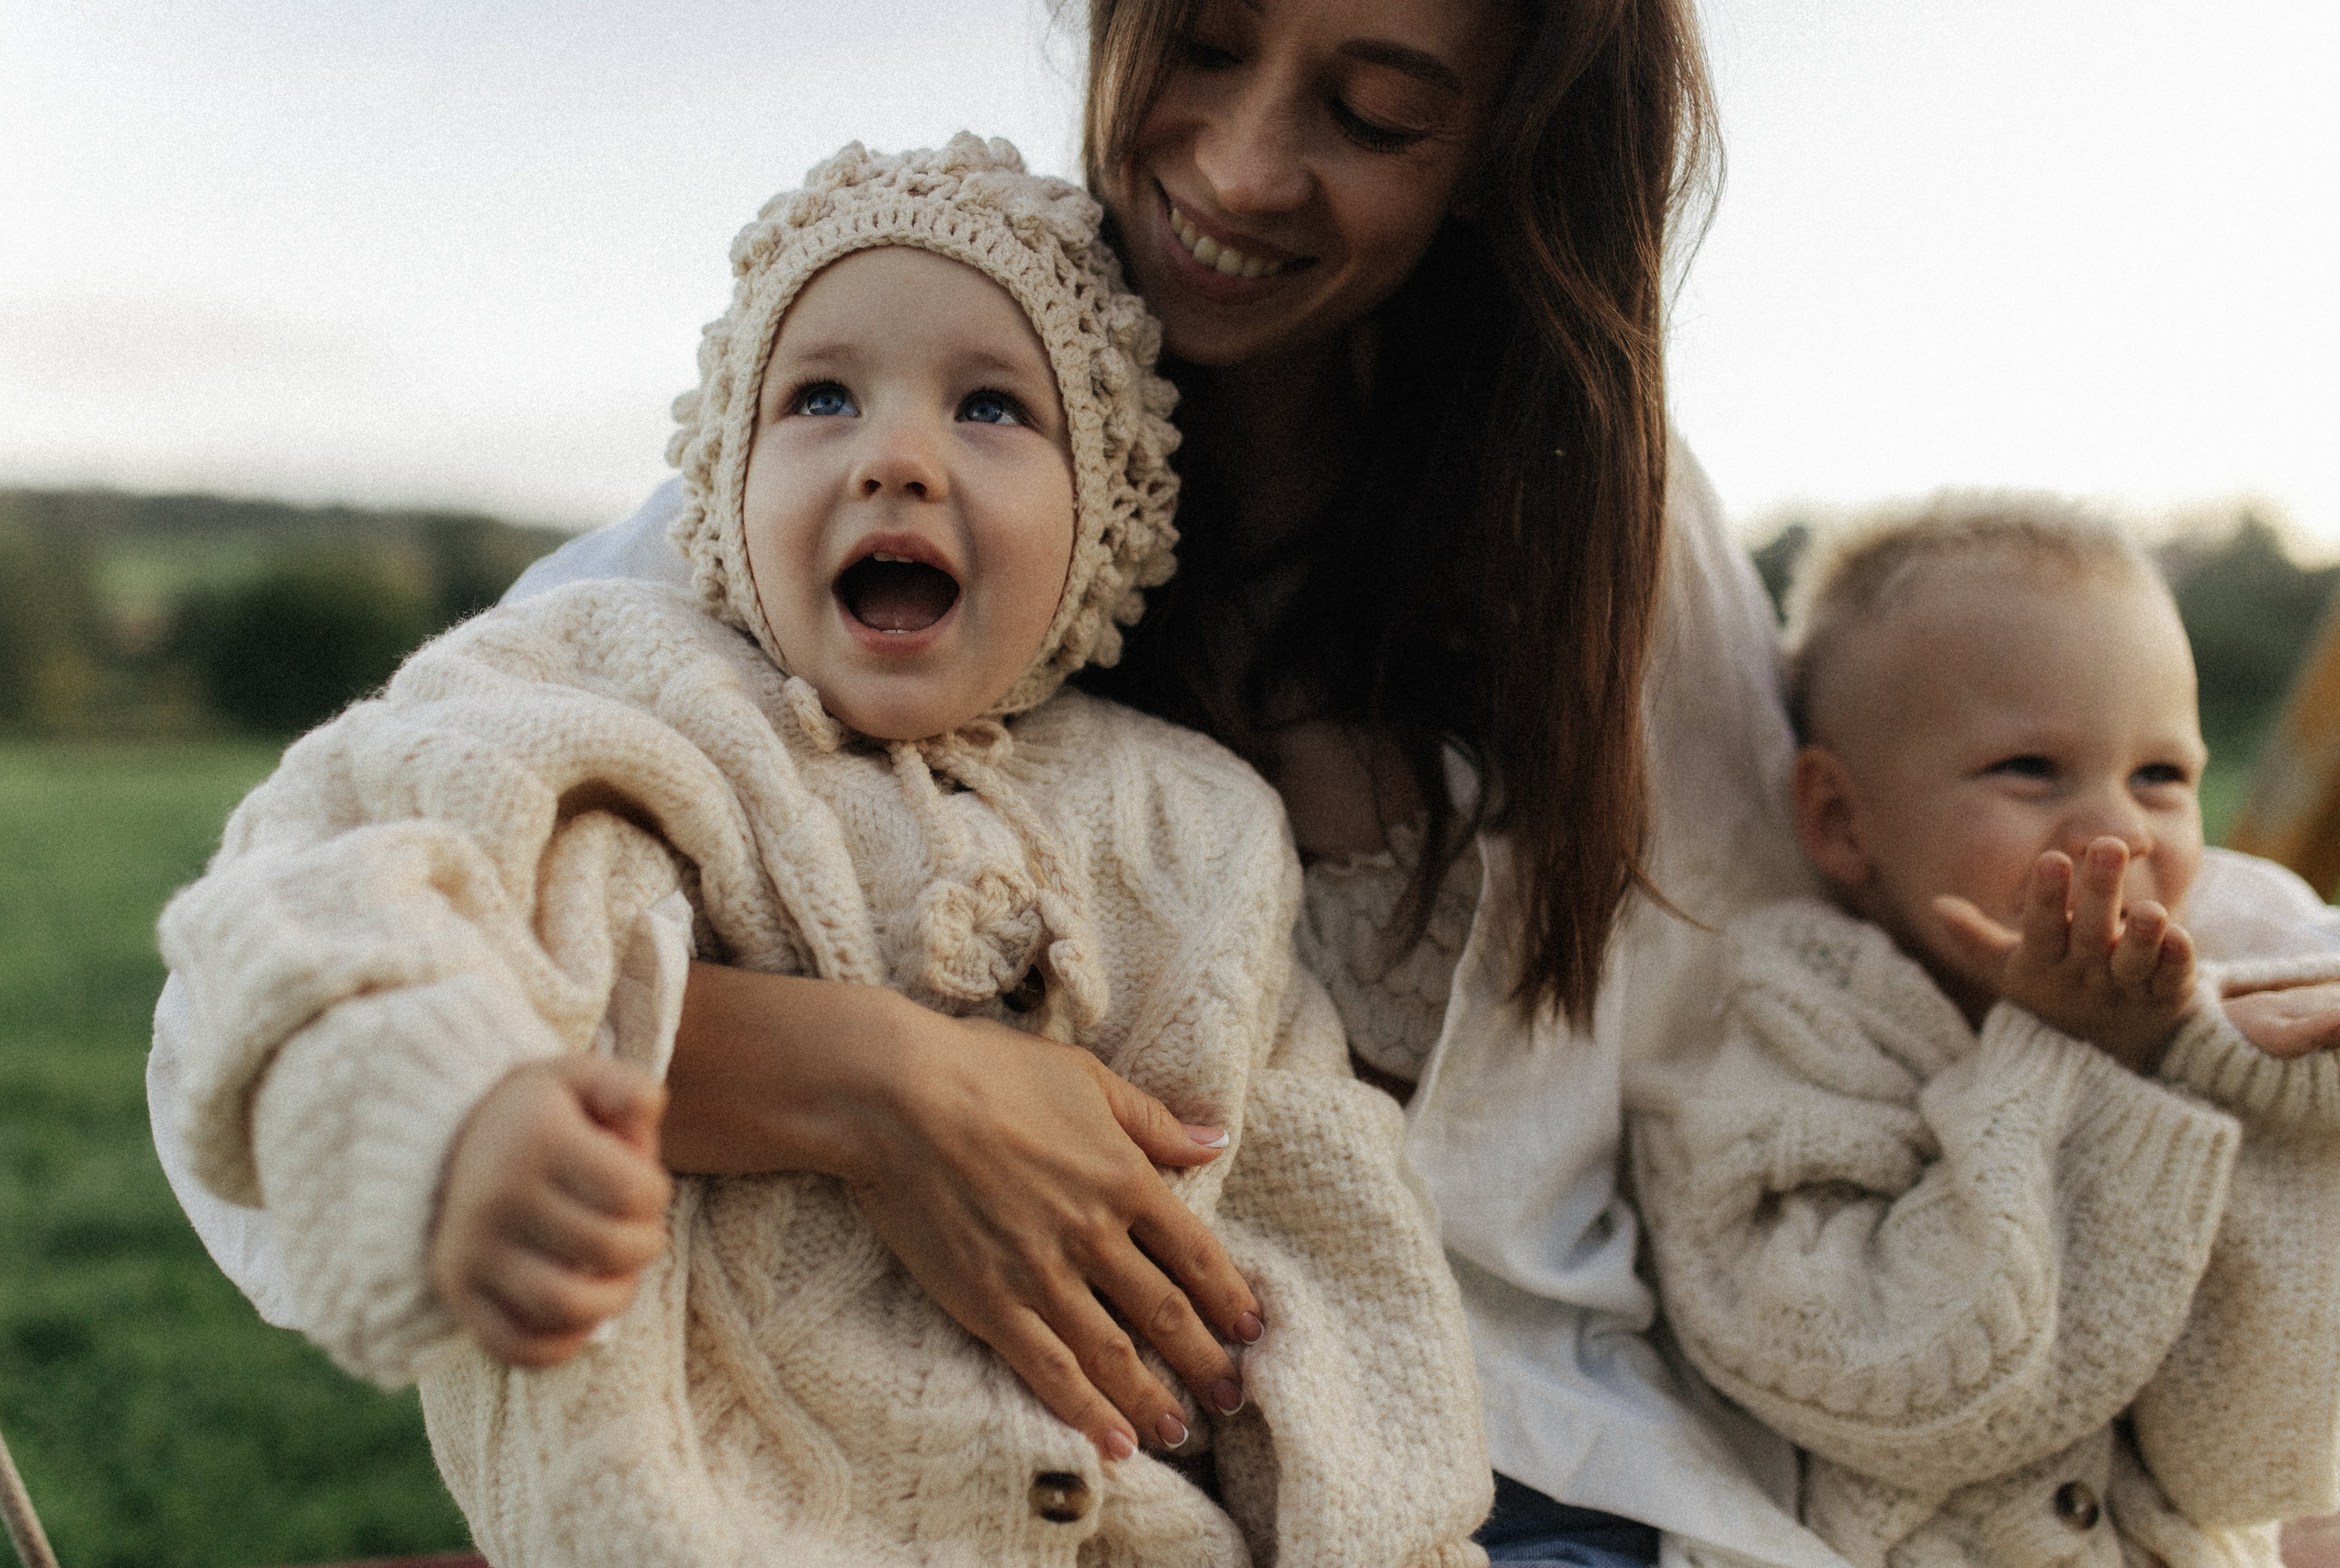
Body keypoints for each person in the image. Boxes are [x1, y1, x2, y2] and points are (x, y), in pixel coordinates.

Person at [145, 4, 2340, 1566]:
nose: (1237, 160)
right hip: (999, 1466)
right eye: (1194, 44)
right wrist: (870, 1076)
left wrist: (2229, 949)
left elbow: (1849, 889)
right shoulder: (891, 401)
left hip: (1561, 1461)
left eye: (1374, 106)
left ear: (1490, 145)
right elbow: (380, 885)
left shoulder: (1590, 519)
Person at [157, 137, 1491, 1566]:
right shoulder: (603, 692)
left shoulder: (1196, 827)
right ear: (726, 484)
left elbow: (1326, 1250)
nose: (897, 458)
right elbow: (334, 882)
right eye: (820, 397)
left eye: (992, 405)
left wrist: (1388, 1539)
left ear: (1107, 514)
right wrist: (459, 1117)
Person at [1633, 499, 2340, 1567]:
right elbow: (1908, 1386)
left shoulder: (2203, 997)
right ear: (1839, 818)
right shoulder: (1782, 1037)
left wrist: (2264, 1098)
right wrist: (2073, 1057)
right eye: (2029, 770)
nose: (2117, 830)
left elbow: (2240, 1461)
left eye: (2161, 777)